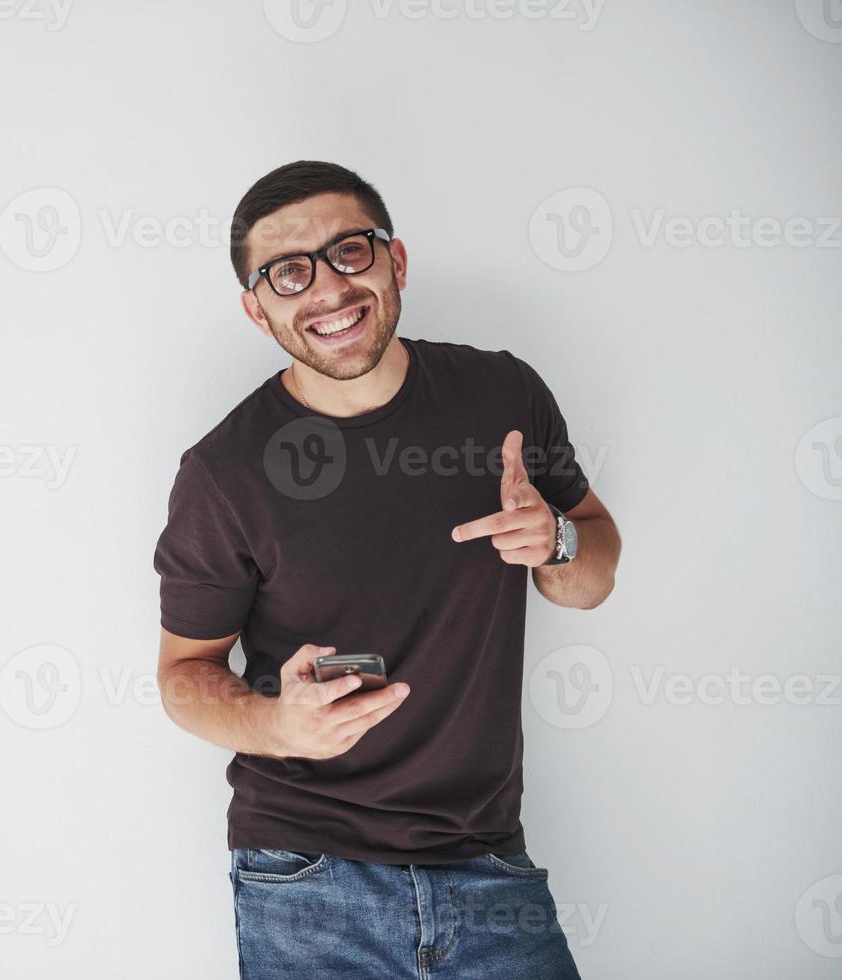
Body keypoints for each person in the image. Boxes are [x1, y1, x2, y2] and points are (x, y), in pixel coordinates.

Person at [152, 160, 622, 979]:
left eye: (349, 252)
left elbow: (593, 570)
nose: (328, 288)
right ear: (256, 309)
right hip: (305, 879)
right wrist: (274, 724)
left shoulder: (502, 395)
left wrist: (555, 543)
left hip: (489, 863)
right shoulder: (222, 472)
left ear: (395, 261)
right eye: (289, 273)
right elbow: (182, 673)